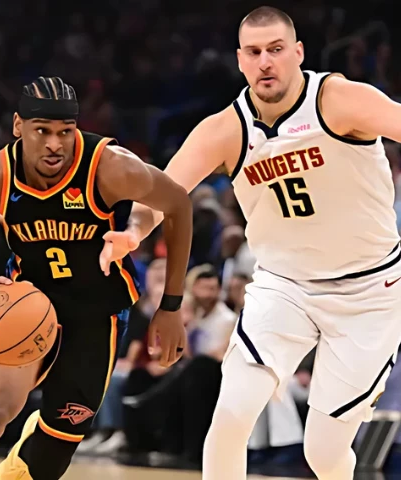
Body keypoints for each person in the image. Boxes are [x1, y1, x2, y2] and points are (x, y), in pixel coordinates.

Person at [100, 6, 401, 480]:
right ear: (240, 60)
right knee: (230, 417)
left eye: (276, 50)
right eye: (255, 52)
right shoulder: (225, 130)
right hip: (284, 286)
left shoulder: (340, 100)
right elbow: (162, 192)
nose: (266, 62)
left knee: (323, 454)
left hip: (368, 290)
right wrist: (134, 231)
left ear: (298, 53)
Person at [0, 76, 192, 480]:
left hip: (95, 314)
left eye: (65, 131)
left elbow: (178, 204)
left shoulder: (110, 166)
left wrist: (170, 307)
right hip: (26, 307)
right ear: (18, 126)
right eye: (42, 130)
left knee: (52, 453)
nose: (55, 144)